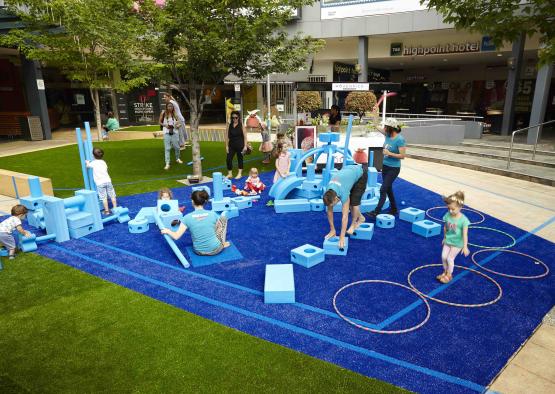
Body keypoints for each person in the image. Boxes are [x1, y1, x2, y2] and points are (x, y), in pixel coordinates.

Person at [161, 190, 230, 256]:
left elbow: (176, 236)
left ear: (192, 201)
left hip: (199, 251)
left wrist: (167, 231)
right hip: (216, 250)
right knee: (223, 218)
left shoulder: (186, 217)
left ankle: (218, 242)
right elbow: (219, 227)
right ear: (204, 202)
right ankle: (222, 243)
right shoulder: (213, 214)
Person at [368, 118, 406, 218]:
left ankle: (376, 211)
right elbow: (376, 126)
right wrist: (375, 114)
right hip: (385, 166)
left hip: (394, 169)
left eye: (386, 126)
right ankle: (394, 209)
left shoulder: (400, 139)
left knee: (383, 188)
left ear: (391, 128)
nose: (384, 128)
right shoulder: (387, 135)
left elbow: (402, 156)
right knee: (388, 188)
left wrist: (389, 153)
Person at [322, 164, 367, 249]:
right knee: (350, 203)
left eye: (332, 205)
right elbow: (329, 211)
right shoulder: (328, 193)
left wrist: (341, 237)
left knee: (353, 204)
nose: (332, 207)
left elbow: (345, 216)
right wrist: (332, 229)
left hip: (360, 173)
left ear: (336, 198)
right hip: (347, 172)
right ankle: (361, 218)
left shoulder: (343, 192)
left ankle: (354, 223)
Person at [438, 191, 470, 284]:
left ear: (460, 207)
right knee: (443, 257)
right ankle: (444, 272)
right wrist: (444, 238)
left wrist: (465, 246)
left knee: (449, 258)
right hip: (448, 241)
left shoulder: (464, 220)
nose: (450, 211)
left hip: (457, 244)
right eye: (448, 209)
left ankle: (449, 275)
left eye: (453, 209)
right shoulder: (447, 215)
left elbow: (465, 234)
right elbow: (445, 227)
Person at [86, 148, 118, 215]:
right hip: (108, 181)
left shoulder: (93, 163)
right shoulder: (103, 162)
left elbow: (87, 166)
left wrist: (87, 162)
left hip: (100, 183)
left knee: (104, 197)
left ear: (93, 155)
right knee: (112, 195)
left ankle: (107, 211)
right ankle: (115, 208)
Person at [159, 102, 183, 170]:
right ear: (166, 107)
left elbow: (178, 123)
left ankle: (177, 158)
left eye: (171, 106)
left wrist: (178, 125)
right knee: (167, 148)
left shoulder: (175, 114)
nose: (170, 107)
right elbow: (159, 122)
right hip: (166, 132)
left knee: (177, 147)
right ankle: (167, 163)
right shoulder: (163, 113)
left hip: (175, 132)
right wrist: (165, 125)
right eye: (169, 106)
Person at [225, 110, 248, 179]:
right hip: (231, 145)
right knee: (228, 159)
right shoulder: (229, 125)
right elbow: (226, 136)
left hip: (240, 145)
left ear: (238, 117)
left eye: (236, 117)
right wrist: (226, 146)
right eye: (233, 118)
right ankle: (230, 174)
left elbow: (245, 136)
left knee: (239, 159)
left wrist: (245, 146)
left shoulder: (241, 125)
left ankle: (239, 173)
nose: (234, 119)